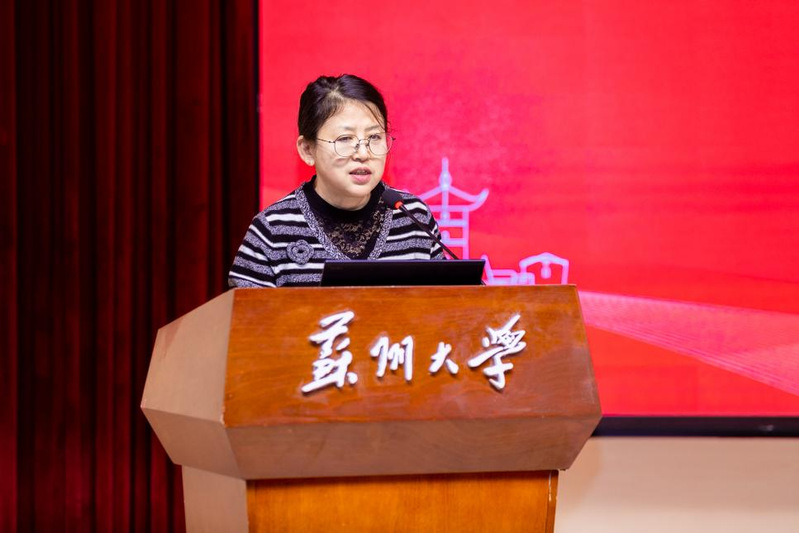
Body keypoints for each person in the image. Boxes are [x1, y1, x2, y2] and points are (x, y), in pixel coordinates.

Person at [228, 74, 445, 288]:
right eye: (345, 139)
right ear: (307, 150)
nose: (363, 154)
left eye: (374, 137)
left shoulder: (413, 217)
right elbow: (244, 311)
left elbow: (446, 303)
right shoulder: (273, 229)